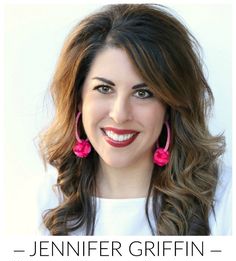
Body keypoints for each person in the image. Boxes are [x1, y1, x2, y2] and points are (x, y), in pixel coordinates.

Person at [38, 3, 231, 236]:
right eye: (104, 88)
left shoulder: (225, 196)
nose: (119, 115)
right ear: (78, 99)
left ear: (170, 106)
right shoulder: (47, 197)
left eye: (143, 93)